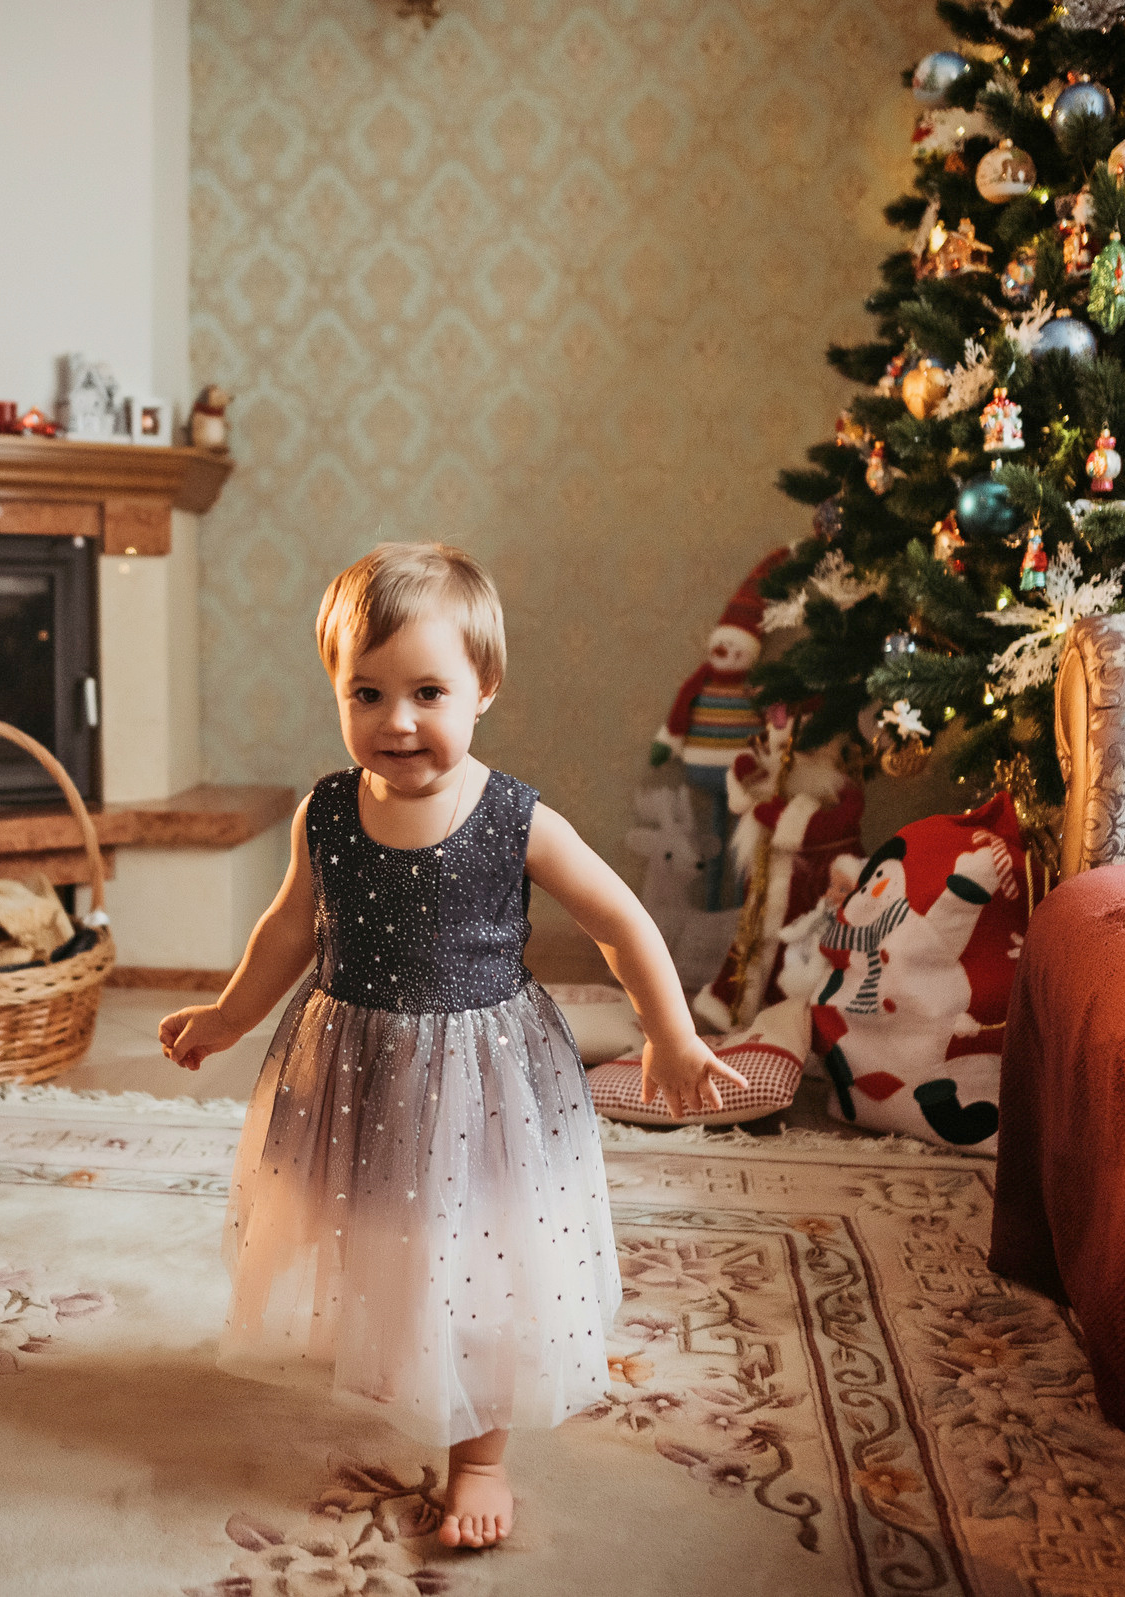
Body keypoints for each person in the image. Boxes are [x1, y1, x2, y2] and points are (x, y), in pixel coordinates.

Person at [159, 542, 747, 1550]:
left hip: (479, 1080)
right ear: (338, 693)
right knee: (383, 1237)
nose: (395, 720)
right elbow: (289, 926)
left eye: (427, 690)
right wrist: (224, 1014)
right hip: (354, 1063)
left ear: (484, 687)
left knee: (477, 1263)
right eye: (367, 691)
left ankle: (478, 1454)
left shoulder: (515, 818)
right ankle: (400, 1355)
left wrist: (671, 1031)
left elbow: (619, 921)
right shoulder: (328, 811)